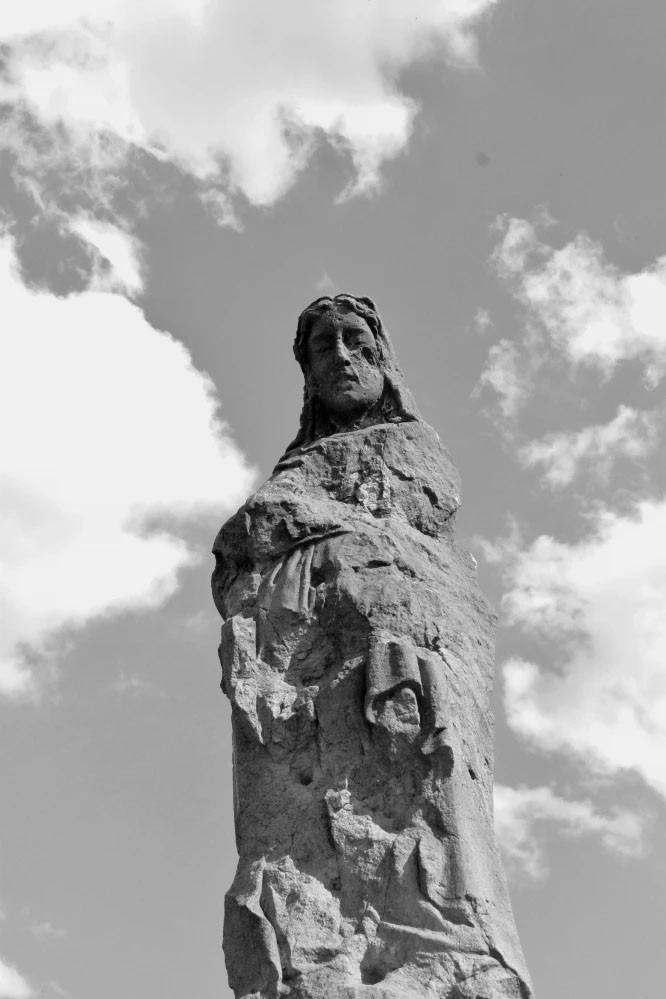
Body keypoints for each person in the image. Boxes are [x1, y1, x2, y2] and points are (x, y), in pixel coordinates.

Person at [212, 295, 533, 999]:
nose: (342, 356)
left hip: (406, 648)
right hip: (307, 674)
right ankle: (323, 944)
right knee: (304, 831)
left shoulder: (415, 449)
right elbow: (241, 540)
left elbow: (409, 517)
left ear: (383, 358)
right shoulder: (295, 468)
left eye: (356, 341)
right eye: (324, 346)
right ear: (307, 372)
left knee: (425, 799)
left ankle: (439, 944)